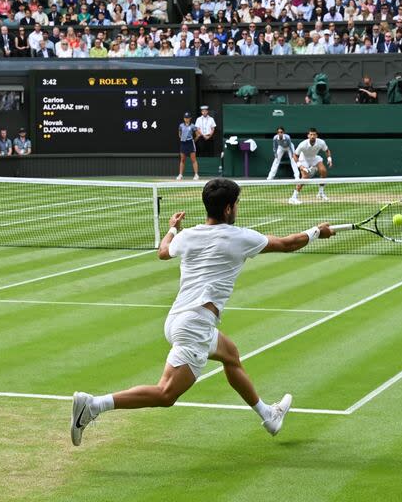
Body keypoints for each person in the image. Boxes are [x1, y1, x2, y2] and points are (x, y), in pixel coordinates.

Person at [70, 178, 336, 447]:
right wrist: (317, 231)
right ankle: (93, 405)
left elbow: (163, 252)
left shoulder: (187, 236)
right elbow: (288, 243)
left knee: (230, 355)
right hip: (195, 325)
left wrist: (173, 229)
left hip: (180, 319)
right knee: (165, 394)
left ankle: (269, 416)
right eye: (237, 204)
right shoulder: (241, 237)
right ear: (229, 208)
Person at [288, 128, 333, 204]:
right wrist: (300, 166)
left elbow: (327, 150)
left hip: (314, 158)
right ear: (308, 136)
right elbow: (295, 155)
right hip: (304, 159)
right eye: (311, 134)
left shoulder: (321, 142)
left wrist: (329, 159)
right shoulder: (303, 144)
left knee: (323, 171)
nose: (312, 136)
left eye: (314, 134)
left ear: (316, 135)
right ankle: (293, 197)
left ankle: (321, 193)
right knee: (305, 177)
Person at [176, 112, 200, 181]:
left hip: (190, 143)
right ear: (184, 118)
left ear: (190, 118)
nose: (186, 119)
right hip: (183, 143)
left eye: (187, 118)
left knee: (193, 159)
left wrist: (193, 141)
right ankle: (180, 175)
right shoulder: (181, 125)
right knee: (182, 160)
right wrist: (182, 138)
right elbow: (179, 133)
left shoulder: (193, 126)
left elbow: (197, 135)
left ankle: (196, 175)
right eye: (185, 118)